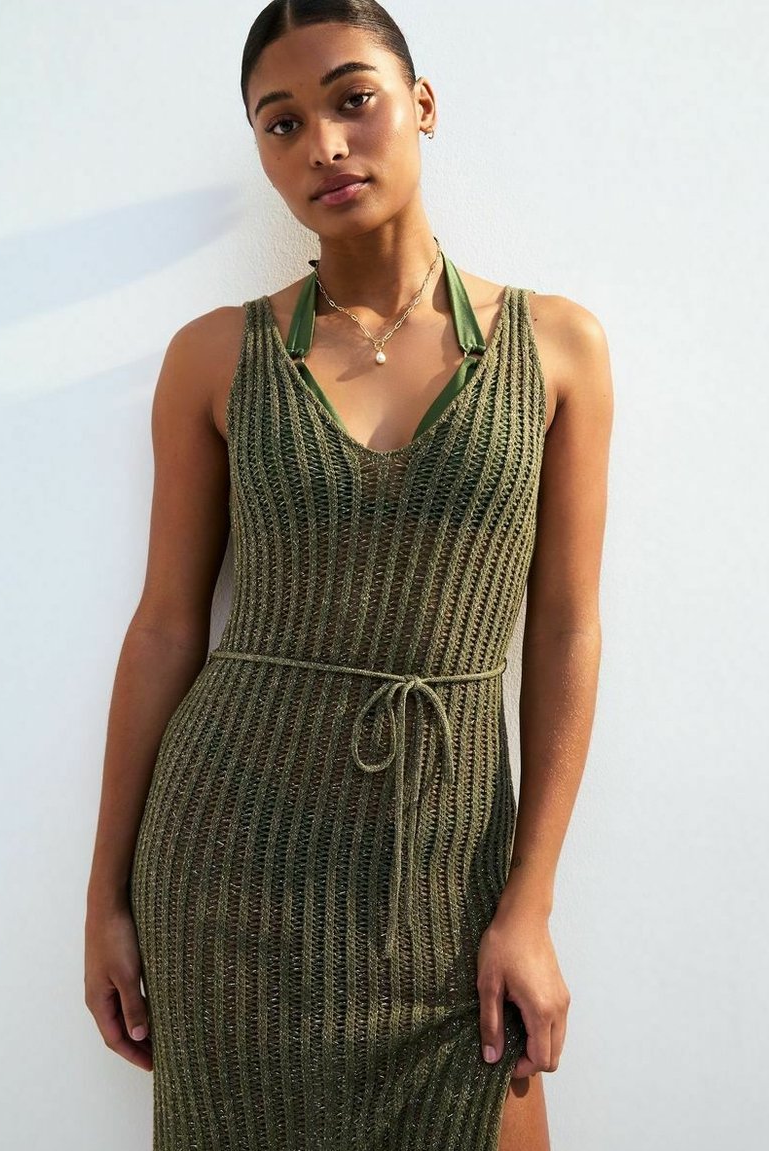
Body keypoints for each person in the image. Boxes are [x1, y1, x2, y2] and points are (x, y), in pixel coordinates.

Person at [84, 2, 613, 1148]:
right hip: (229, 867)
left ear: (420, 105)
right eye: (280, 123)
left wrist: (527, 901)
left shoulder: (555, 345)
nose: (321, 143)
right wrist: (104, 897)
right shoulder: (213, 357)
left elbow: (565, 626)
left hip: (447, 867)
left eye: (352, 100)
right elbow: (166, 626)